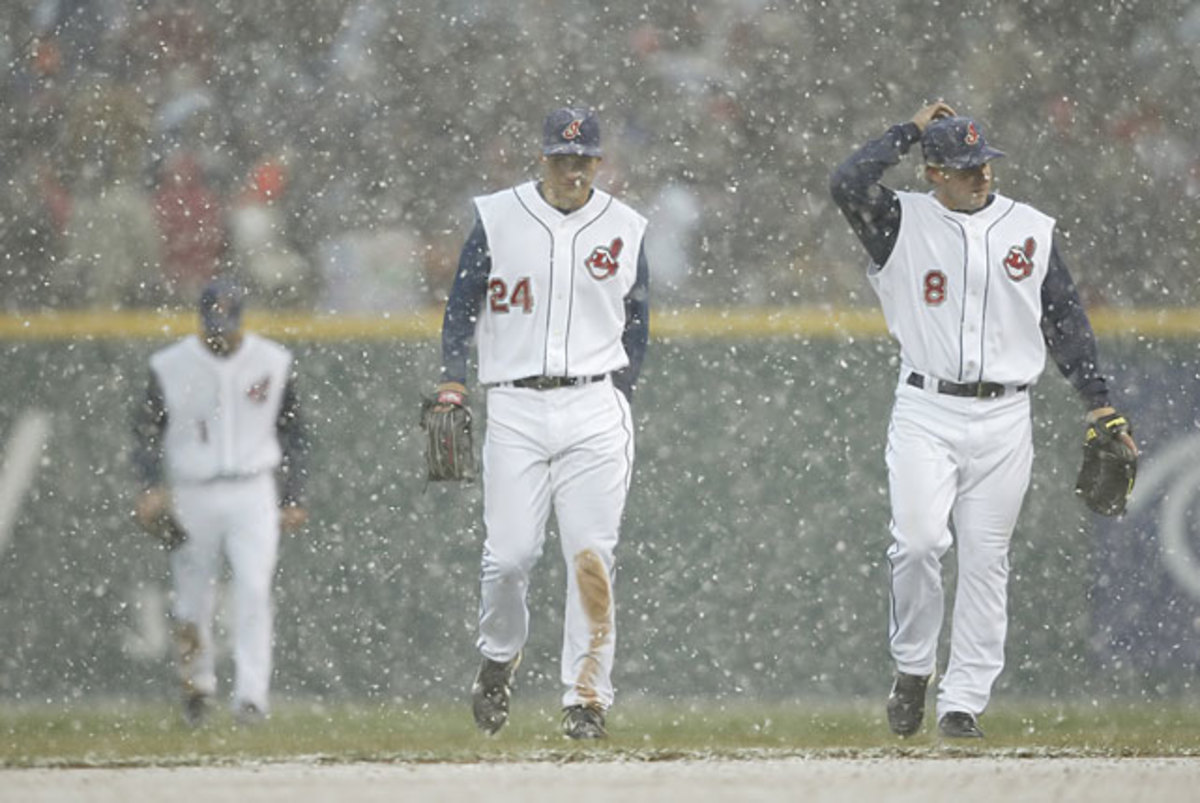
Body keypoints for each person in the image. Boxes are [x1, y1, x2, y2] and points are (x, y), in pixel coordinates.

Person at [829, 102, 1137, 739]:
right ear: (935, 171)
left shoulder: (1030, 229)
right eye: (967, 168)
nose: (982, 176)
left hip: (1005, 415)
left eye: (985, 164)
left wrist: (1097, 399)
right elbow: (846, 182)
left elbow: (1065, 320)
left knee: (985, 560)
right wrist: (907, 131)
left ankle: (962, 702)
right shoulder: (898, 220)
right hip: (926, 407)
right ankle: (913, 666)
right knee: (916, 543)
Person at [433, 107, 650, 739]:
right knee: (509, 559)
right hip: (516, 403)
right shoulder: (499, 216)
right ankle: (498, 660)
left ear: (599, 162)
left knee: (591, 558)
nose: (573, 168)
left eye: (583, 158)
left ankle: (586, 700)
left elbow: (639, 326)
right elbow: (460, 306)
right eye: (562, 156)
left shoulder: (626, 226)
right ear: (542, 158)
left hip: (593, 405)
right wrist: (453, 375)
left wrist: (619, 392)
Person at [132, 278, 309, 727]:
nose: (219, 334)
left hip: (254, 488)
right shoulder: (170, 364)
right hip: (193, 488)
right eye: (213, 324)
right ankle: (197, 686)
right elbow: (145, 431)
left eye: (227, 325)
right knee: (192, 597)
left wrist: (293, 494)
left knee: (253, 588)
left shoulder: (272, 360)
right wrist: (150, 485)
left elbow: (295, 433)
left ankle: (251, 696)